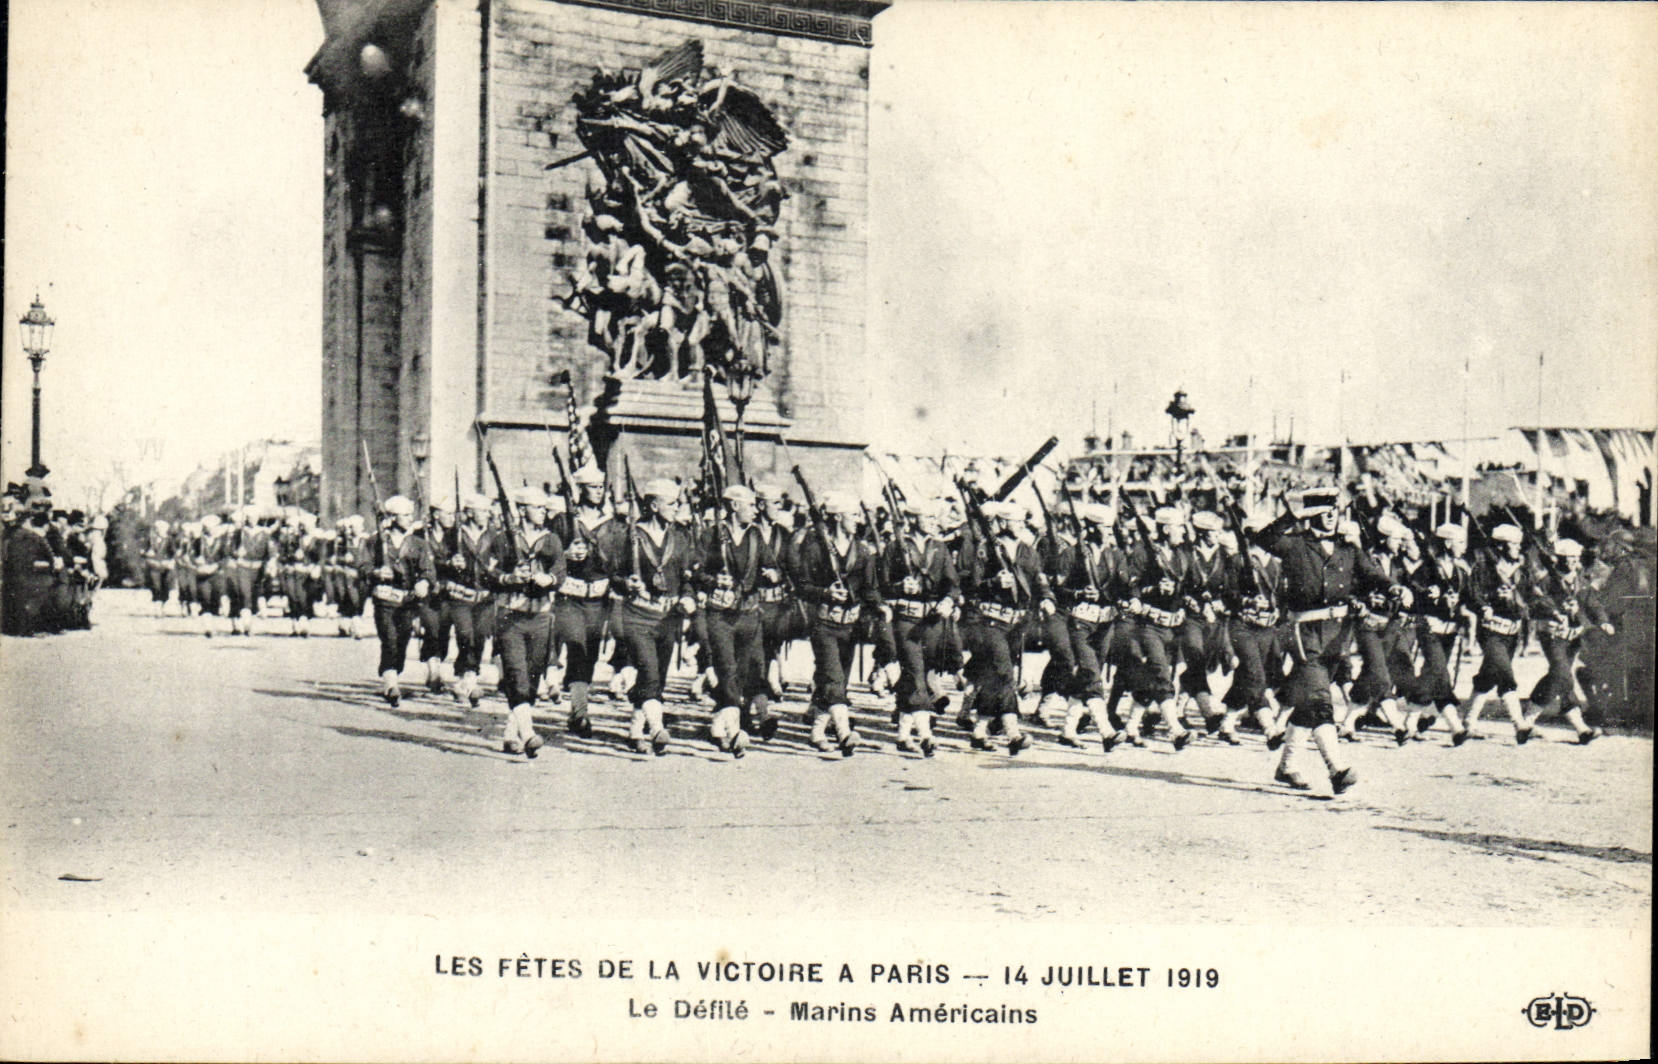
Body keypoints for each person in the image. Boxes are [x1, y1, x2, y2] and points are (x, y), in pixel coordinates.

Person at [1256, 489, 1403, 794]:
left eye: (1333, 509)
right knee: (1321, 701)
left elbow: (1373, 574)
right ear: (1310, 514)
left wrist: (1395, 590)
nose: (1330, 515)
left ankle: (1287, 767)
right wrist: (1293, 516)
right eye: (1323, 509)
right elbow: (1263, 539)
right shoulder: (1295, 544)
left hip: (1338, 636)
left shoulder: (1347, 548)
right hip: (1303, 632)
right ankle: (1337, 770)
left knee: (1308, 705)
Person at [793, 490, 882, 756]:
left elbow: (870, 587)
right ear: (839, 517)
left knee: (835, 681)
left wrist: (880, 605)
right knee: (832, 676)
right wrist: (825, 593)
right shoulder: (816, 548)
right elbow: (802, 585)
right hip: (824, 623)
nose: (857, 520)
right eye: (853, 515)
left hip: (850, 626)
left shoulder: (863, 551)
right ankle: (844, 732)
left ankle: (817, 731)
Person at [610, 478, 695, 755]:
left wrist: (688, 596)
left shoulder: (680, 537)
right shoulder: (630, 535)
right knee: (648, 669)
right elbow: (612, 574)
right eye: (672, 503)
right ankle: (657, 728)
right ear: (654, 505)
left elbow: (686, 576)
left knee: (657, 676)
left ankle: (636, 730)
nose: (677, 508)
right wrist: (626, 583)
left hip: (668, 617)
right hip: (637, 615)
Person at [959, 499, 1047, 755]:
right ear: (1002, 522)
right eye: (1014, 521)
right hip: (990, 622)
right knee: (1005, 674)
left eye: (1021, 521)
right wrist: (993, 582)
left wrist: (1047, 599)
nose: (1019, 525)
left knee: (993, 678)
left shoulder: (1027, 550)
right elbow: (972, 583)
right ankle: (1013, 733)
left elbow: (1038, 579)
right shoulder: (986, 548)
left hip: (1016, 623)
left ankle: (979, 731)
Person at [487, 488, 564, 758]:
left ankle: (511, 734)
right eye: (537, 507)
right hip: (511, 617)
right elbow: (488, 571)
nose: (543, 511)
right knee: (517, 674)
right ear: (522, 510)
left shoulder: (551, 540)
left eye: (545, 508)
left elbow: (560, 571)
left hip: (541, 616)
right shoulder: (503, 539)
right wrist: (509, 577)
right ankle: (529, 734)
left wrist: (549, 580)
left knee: (531, 679)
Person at [692, 483, 768, 757]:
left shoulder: (756, 535)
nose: (756, 510)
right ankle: (735, 733)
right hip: (720, 615)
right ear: (734, 506)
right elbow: (696, 570)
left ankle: (718, 726)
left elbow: (770, 565)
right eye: (750, 505)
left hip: (748, 614)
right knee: (726, 669)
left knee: (743, 673)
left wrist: (771, 575)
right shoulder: (712, 534)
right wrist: (714, 580)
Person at [882, 496, 961, 756]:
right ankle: (926, 735)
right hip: (906, 619)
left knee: (922, 673)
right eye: (927, 517)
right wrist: (899, 587)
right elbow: (880, 585)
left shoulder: (940, 547)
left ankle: (904, 734)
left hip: (933, 620)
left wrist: (949, 600)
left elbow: (952, 582)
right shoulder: (896, 547)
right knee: (916, 672)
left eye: (933, 518)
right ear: (913, 519)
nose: (932, 522)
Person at [1525, 538, 1615, 744]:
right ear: (1559, 560)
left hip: (1574, 637)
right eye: (1568, 558)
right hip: (1553, 635)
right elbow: (1536, 604)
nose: (1573, 562)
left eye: (1575, 558)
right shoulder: (1547, 581)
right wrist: (1556, 611)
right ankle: (1580, 727)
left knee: (1556, 676)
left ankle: (1528, 720)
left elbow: (1592, 603)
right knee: (1563, 676)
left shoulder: (1580, 582)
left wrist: (1603, 621)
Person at [1052, 501, 1126, 749]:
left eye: (1110, 527)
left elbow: (1124, 586)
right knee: (1092, 673)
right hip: (1080, 621)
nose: (1109, 532)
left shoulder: (1115, 555)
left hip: (1105, 622)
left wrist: (1116, 598)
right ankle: (1106, 731)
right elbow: (1058, 588)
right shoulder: (1072, 554)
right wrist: (1078, 593)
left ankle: (1068, 730)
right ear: (1091, 528)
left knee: (1086, 675)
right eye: (1104, 527)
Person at [551, 464, 618, 736]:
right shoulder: (563, 520)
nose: (598, 491)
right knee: (576, 647)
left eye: (601, 486)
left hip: (598, 599)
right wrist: (565, 554)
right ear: (580, 490)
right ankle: (581, 714)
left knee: (589, 653)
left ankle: (577, 708)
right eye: (593, 487)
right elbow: (548, 550)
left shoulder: (612, 524)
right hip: (570, 596)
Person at [1120, 507, 1193, 750]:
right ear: (1165, 529)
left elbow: (1187, 584)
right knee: (1161, 674)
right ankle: (1175, 730)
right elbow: (1130, 585)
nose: (1182, 531)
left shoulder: (1182, 553)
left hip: (1172, 626)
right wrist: (1152, 590)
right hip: (1149, 625)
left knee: (1155, 678)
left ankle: (1131, 727)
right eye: (1178, 526)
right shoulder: (1143, 552)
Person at [1463, 524, 1536, 743]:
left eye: (1518, 544)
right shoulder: (1483, 568)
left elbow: (1530, 599)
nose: (1517, 548)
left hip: (1512, 632)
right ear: (1501, 546)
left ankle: (1468, 722)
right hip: (1491, 631)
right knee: (1505, 674)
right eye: (1512, 544)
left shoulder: (1523, 571)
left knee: (1488, 676)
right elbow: (1472, 594)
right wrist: (1488, 603)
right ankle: (1519, 724)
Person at [361, 496, 436, 708]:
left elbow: (428, 570)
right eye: (405, 515)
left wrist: (424, 582)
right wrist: (376, 572)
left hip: (407, 600)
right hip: (384, 599)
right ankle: (391, 683)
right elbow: (362, 567)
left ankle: (393, 673)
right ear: (392, 517)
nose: (410, 519)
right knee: (389, 638)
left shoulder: (418, 544)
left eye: (410, 515)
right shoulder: (375, 542)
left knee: (402, 640)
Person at [1404, 524, 1476, 744]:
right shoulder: (1427, 569)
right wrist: (1429, 594)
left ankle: (1409, 722)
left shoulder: (1461, 572)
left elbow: (1471, 596)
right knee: (1440, 672)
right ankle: (1455, 726)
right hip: (1429, 627)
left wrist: (1476, 609)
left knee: (1431, 675)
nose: (1463, 547)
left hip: (1449, 630)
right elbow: (1412, 592)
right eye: (1460, 542)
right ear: (1447, 543)